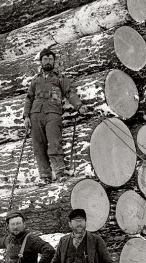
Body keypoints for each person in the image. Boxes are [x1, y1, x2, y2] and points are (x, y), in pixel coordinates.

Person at [22, 47, 93, 183]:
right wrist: (26, 116)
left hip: (53, 115)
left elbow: (70, 92)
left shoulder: (60, 78)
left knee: (55, 143)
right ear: (41, 62)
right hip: (35, 115)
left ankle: (60, 173)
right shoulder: (35, 80)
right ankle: (45, 176)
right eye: (45, 59)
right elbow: (29, 98)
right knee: (38, 147)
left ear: (54, 62)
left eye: (50, 59)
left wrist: (79, 106)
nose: (48, 61)